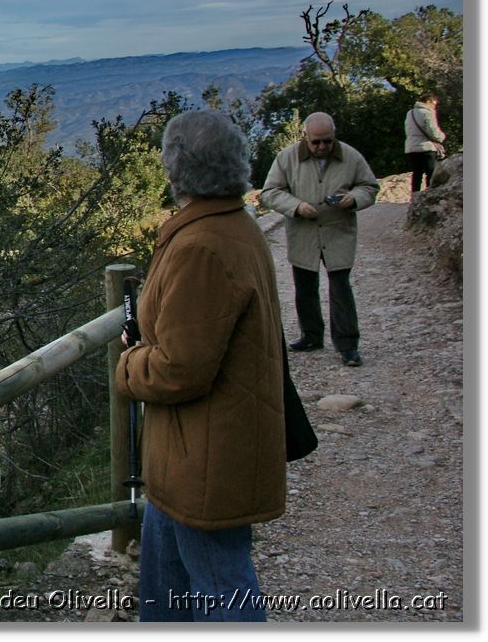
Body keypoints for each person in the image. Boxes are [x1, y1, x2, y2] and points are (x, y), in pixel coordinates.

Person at [116, 109, 286, 622]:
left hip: (207, 455)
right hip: (194, 452)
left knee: (221, 586)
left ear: (176, 169)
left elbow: (179, 368)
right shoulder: (235, 226)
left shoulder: (201, 245)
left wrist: (128, 366)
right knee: (167, 588)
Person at [260, 111, 379, 367]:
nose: (322, 147)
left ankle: (348, 345)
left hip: (338, 231)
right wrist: (297, 206)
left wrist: (354, 198)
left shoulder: (351, 156)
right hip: (303, 232)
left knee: (340, 289)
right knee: (304, 287)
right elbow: (270, 192)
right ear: (305, 137)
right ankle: (311, 336)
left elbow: (369, 186)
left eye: (327, 141)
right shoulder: (286, 158)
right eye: (316, 142)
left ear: (334, 136)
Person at [404, 92, 447, 193]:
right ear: (428, 101)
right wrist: (442, 137)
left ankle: (414, 197)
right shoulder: (428, 113)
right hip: (426, 148)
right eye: (434, 104)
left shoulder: (410, 113)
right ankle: (429, 195)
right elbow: (433, 132)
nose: (434, 107)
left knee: (417, 174)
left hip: (411, 147)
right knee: (430, 173)